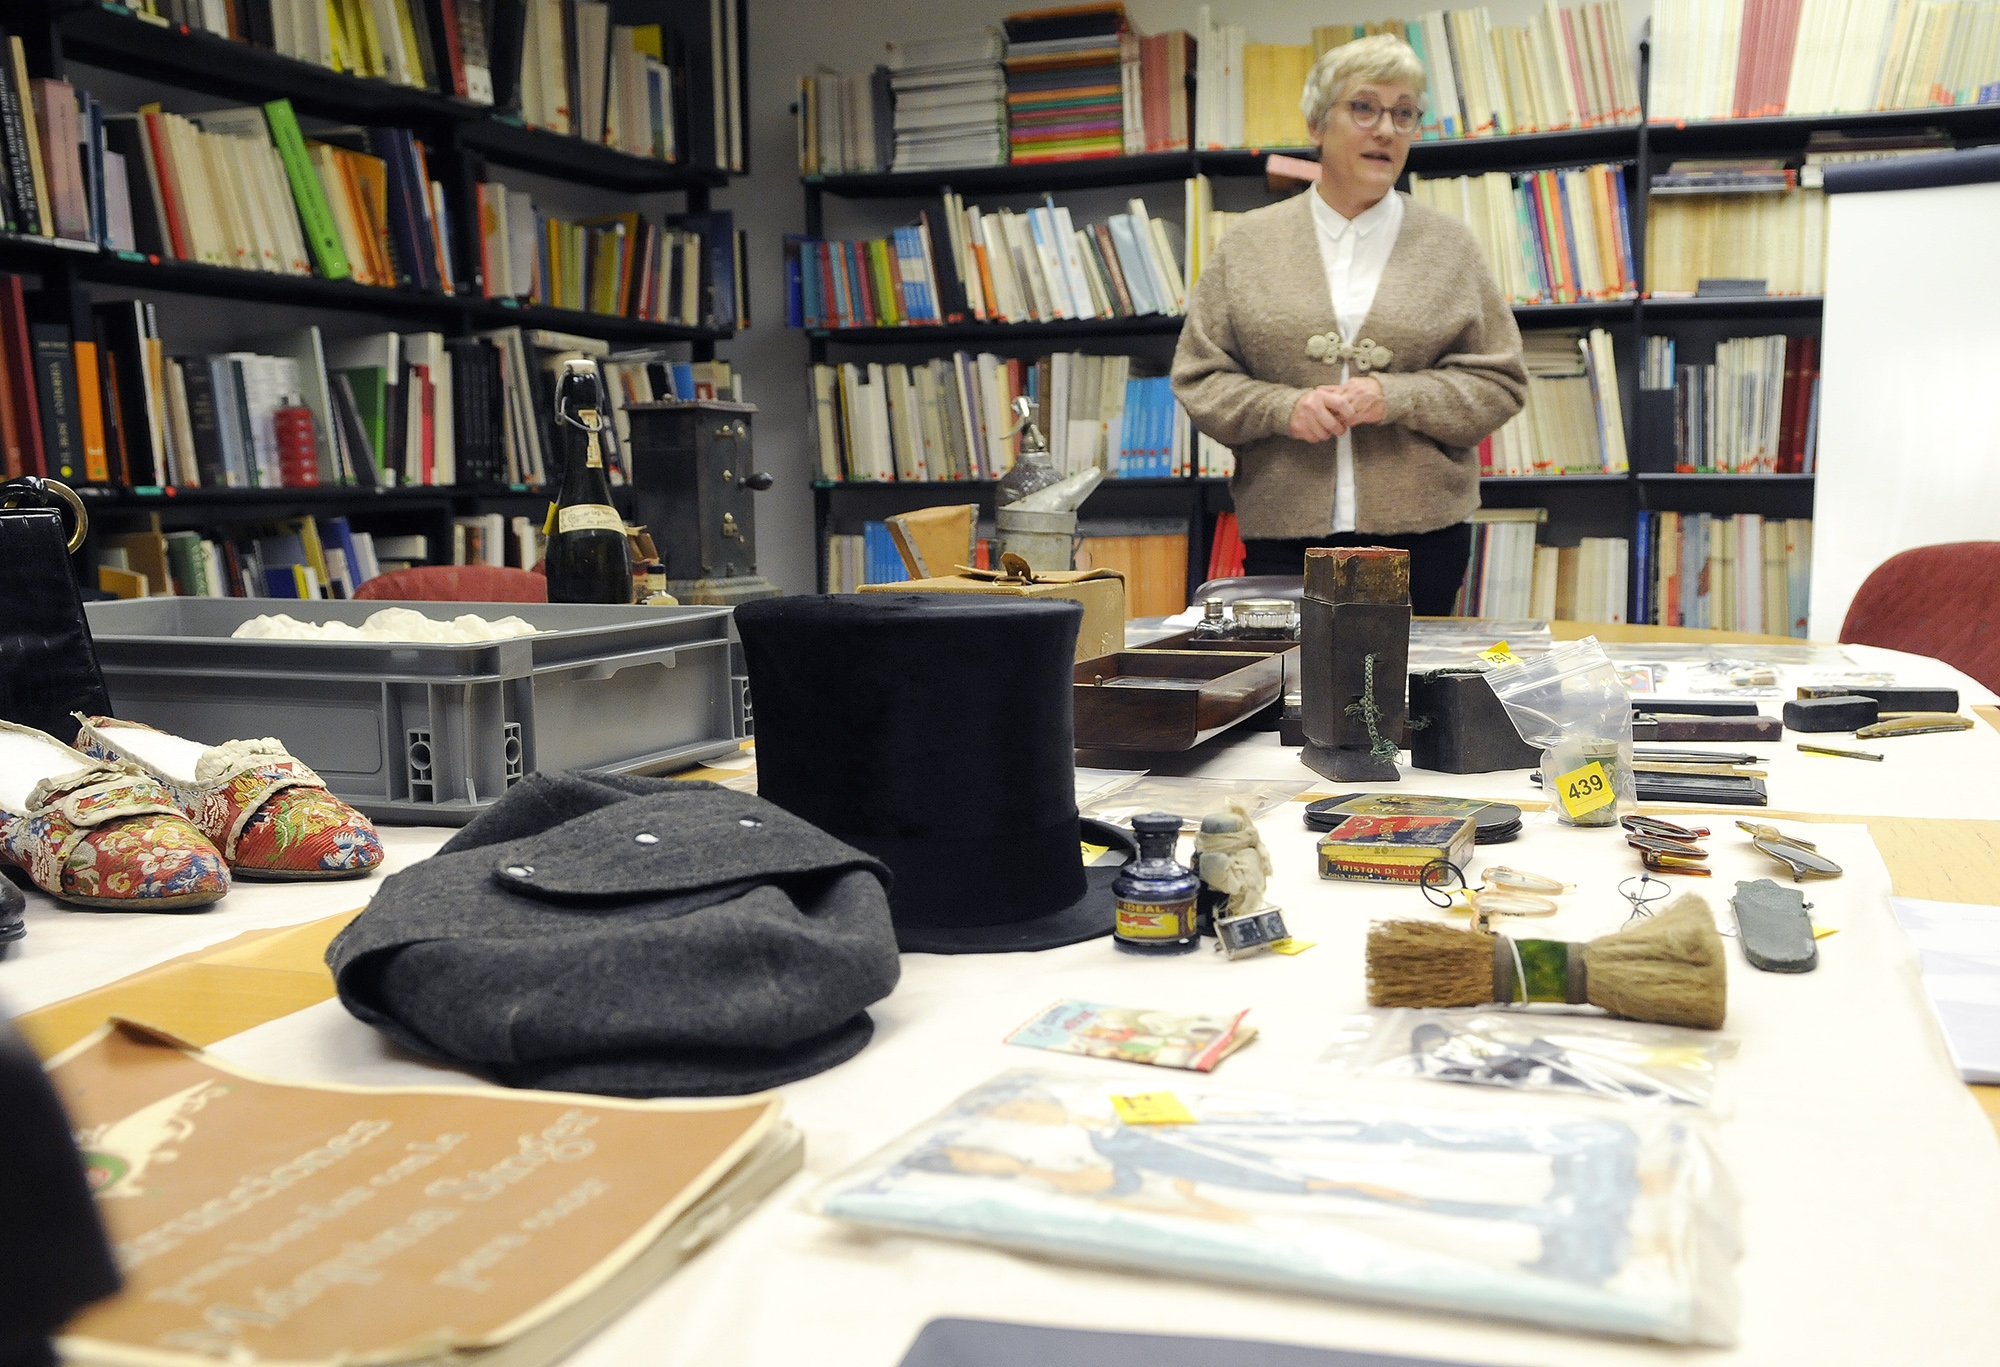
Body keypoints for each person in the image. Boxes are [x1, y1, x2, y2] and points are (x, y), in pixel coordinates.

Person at [1171, 35, 1527, 616]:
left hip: (1424, 539)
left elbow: (1501, 383)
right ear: (1317, 123)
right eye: (1363, 107)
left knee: (1413, 700)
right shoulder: (1248, 244)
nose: (1385, 129)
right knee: (1296, 696)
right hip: (1283, 534)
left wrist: (1395, 396)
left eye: (1403, 112)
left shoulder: (1450, 247)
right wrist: (1284, 409)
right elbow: (1199, 379)